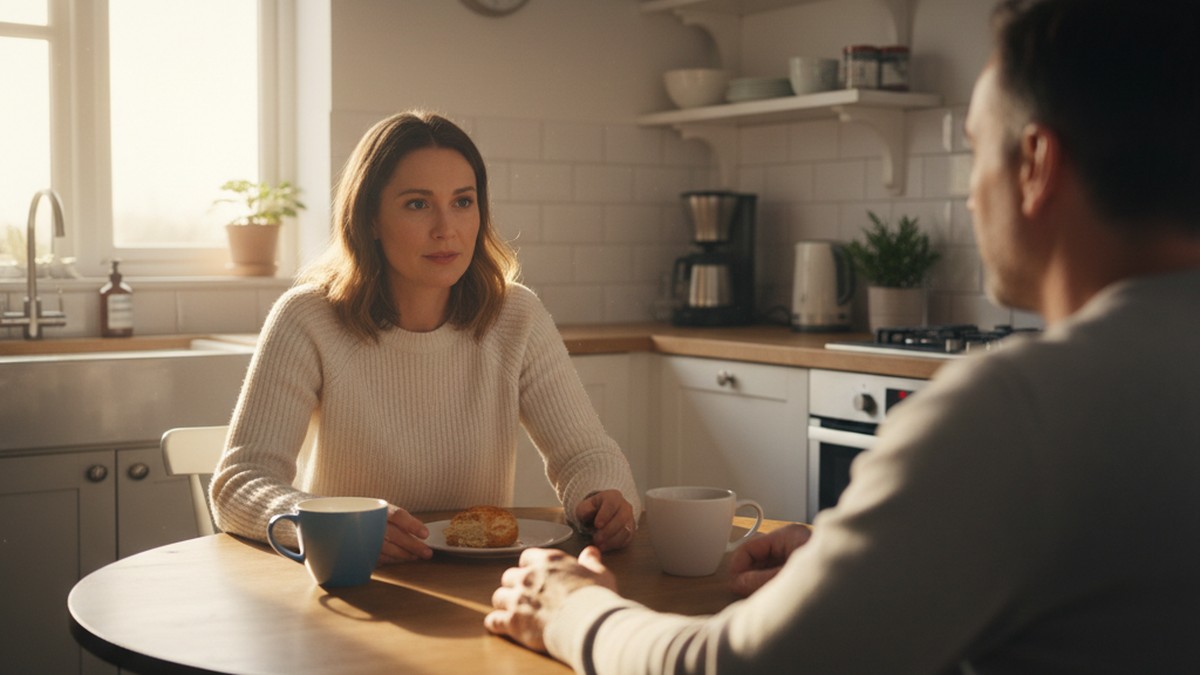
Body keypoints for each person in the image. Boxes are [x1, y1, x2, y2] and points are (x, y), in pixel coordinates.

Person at [485, 0, 1200, 671]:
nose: (969, 193)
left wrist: (573, 609)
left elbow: (735, 667)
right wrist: (864, 569)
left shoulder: (1013, 413)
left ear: (1036, 164)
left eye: (976, 149)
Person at [210, 111, 640, 562]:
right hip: (355, 579)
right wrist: (339, 526)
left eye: (463, 202)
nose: (445, 229)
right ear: (370, 219)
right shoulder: (308, 318)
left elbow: (585, 454)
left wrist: (602, 497)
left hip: (479, 585)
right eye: (418, 204)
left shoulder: (516, 316)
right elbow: (240, 483)